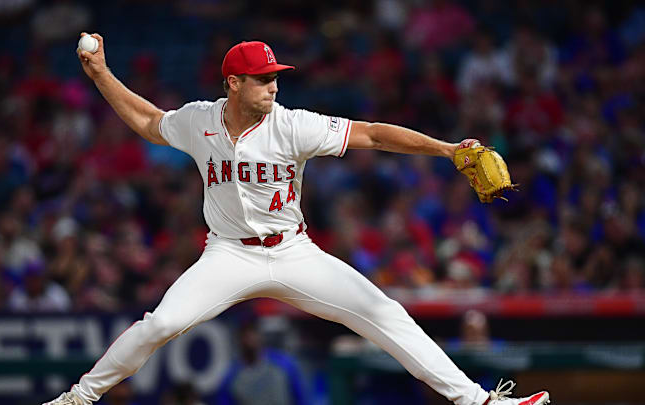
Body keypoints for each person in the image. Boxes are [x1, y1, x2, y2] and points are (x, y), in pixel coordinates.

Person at [43, 34, 550, 405]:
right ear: (234, 83)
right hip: (228, 253)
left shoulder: (293, 125)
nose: (273, 86)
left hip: (293, 251)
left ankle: (477, 401)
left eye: (276, 77)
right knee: (163, 323)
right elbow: (149, 122)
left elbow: (372, 134)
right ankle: (78, 399)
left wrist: (445, 149)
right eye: (263, 80)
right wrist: (102, 75)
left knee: (383, 311)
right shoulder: (200, 119)